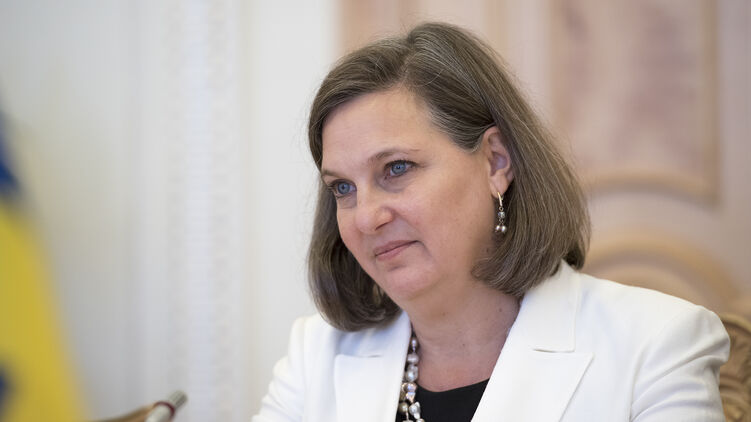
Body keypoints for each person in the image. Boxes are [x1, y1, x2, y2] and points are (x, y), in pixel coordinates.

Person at [252, 22, 729, 422]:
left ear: (496, 161)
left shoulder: (657, 345)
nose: (366, 217)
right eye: (343, 188)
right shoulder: (315, 356)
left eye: (396, 169)